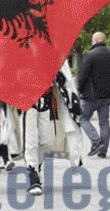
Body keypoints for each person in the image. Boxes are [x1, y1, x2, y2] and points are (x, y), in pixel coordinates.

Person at [17, 60, 84, 195]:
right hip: (27, 100)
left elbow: (63, 76)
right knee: (31, 139)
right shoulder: (21, 51)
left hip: (45, 99)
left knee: (47, 140)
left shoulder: (50, 52)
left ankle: (37, 165)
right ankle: (32, 173)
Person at [76, 32, 110, 158]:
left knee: (82, 118)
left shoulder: (89, 55)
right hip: (107, 95)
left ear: (95, 40)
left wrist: (79, 90)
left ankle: (96, 141)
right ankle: (103, 150)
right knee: (104, 122)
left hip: (91, 95)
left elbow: (82, 76)